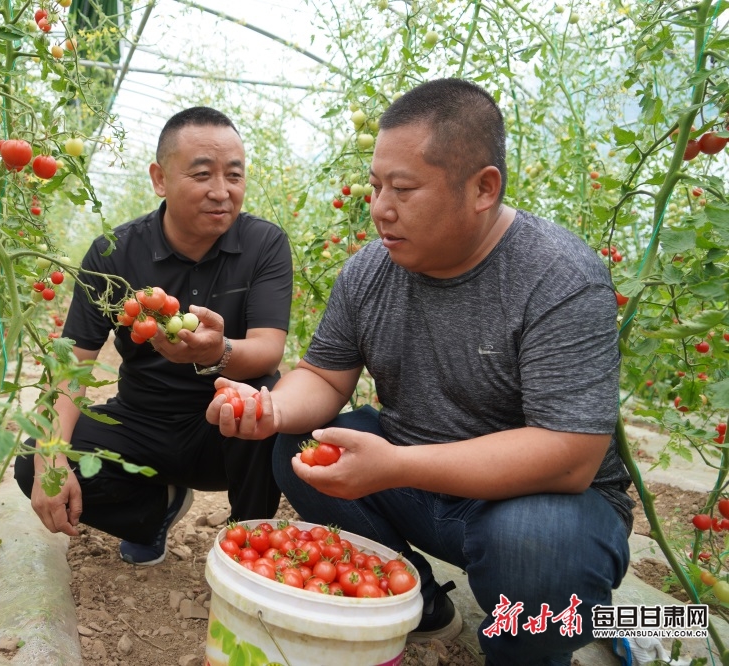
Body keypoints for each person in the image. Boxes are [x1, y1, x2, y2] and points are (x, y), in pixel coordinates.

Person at [207, 79, 633, 665]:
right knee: (298, 446)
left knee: (535, 548)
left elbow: (570, 456)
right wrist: (271, 407)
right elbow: (325, 377)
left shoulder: (558, 277)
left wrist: (396, 465)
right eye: (376, 185)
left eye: (403, 189)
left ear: (483, 188)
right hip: (417, 483)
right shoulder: (370, 271)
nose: (380, 207)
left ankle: (527, 653)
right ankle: (423, 604)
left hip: (540, 505)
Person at [14, 106, 292, 566]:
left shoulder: (264, 244)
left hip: (225, 430)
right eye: (201, 174)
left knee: (263, 398)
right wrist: (50, 454)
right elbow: (72, 366)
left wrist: (217, 353)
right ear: (160, 179)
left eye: (234, 175)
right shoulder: (114, 254)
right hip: (141, 422)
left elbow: (268, 349)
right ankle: (152, 511)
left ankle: (248, 545)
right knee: (33, 461)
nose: (221, 191)